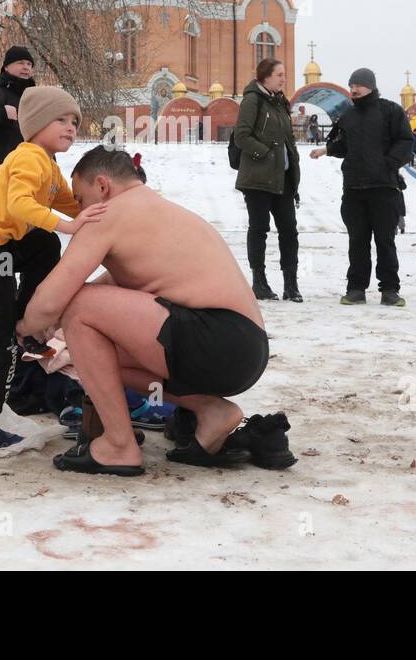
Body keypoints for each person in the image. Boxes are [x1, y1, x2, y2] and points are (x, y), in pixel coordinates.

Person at [18, 146, 268, 475]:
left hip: (213, 338)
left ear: (103, 186)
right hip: (243, 350)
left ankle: (119, 446)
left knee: (77, 305)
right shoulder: (160, 210)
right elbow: (117, 287)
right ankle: (211, 411)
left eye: (79, 199)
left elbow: (54, 299)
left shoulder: (109, 215)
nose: (78, 211)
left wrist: (25, 328)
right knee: (96, 354)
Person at [0, 86, 107, 454]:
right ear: (35, 125)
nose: (71, 128)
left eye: (74, 122)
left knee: (44, 245)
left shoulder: (48, 165)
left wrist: (101, 211)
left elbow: (70, 203)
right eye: (61, 120)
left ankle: (25, 324)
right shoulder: (28, 158)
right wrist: (68, 226)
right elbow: (19, 205)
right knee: (0, 345)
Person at [310, 68, 414, 307]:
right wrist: (326, 150)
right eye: (351, 85)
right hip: (354, 189)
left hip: (384, 188)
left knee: (385, 241)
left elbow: (405, 141)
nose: (354, 89)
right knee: (357, 241)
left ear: (370, 86)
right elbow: (343, 145)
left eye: (358, 85)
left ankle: (390, 290)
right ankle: (356, 289)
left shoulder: (390, 111)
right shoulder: (348, 116)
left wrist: (389, 164)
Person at [233, 57, 302, 302]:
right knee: (259, 229)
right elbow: (241, 135)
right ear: (265, 77)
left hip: (282, 178)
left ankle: (290, 284)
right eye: (279, 74)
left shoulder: (281, 102)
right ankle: (259, 283)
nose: (284, 78)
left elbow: (288, 141)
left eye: (284, 74)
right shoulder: (252, 100)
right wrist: (265, 153)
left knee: (289, 231)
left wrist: (294, 175)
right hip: (257, 179)